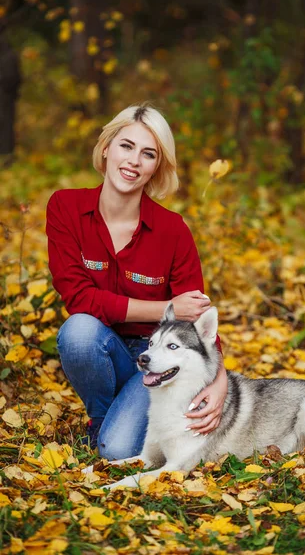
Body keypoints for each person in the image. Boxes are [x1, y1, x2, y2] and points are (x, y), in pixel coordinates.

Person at [46, 104, 228, 460]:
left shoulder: (173, 230)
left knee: (115, 451)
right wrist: (166, 308)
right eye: (126, 146)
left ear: (156, 167)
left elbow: (195, 318)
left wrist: (219, 378)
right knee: (78, 331)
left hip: (158, 356)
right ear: (106, 148)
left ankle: (123, 416)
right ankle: (102, 417)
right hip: (100, 347)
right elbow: (79, 298)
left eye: (148, 154)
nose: (133, 161)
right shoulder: (65, 208)